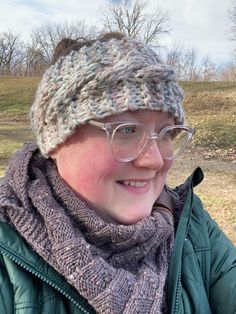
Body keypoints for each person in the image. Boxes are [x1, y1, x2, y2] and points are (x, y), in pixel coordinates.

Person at [0, 32, 235, 314]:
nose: (155, 160)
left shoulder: (193, 227)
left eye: (167, 133)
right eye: (127, 130)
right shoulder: (7, 249)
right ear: (57, 141)